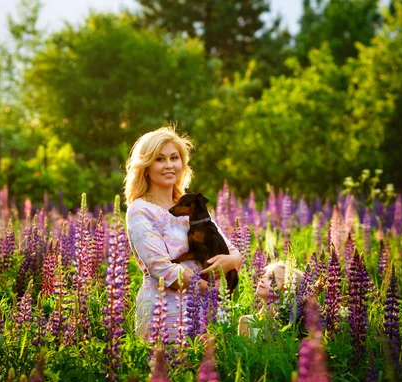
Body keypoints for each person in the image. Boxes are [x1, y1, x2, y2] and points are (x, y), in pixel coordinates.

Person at [124, 126, 242, 341]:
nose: (169, 165)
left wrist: (233, 260)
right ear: (146, 167)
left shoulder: (191, 206)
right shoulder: (140, 209)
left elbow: (230, 250)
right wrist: (215, 293)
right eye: (159, 159)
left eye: (174, 158)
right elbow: (162, 269)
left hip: (208, 313)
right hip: (165, 313)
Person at [238, 261, 303, 338]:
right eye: (264, 276)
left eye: (271, 278)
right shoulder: (246, 320)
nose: (262, 280)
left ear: (287, 289)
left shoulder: (289, 325)